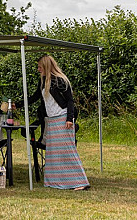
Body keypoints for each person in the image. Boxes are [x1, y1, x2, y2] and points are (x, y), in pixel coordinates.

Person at [28, 54, 90, 190]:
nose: (38, 70)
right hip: (52, 120)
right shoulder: (44, 81)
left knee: (67, 151)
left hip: (62, 118)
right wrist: (18, 104)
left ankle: (80, 182)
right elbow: (34, 97)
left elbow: (70, 101)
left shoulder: (60, 81)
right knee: (54, 153)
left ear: (46, 66)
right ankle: (55, 181)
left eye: (40, 67)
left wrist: (69, 118)